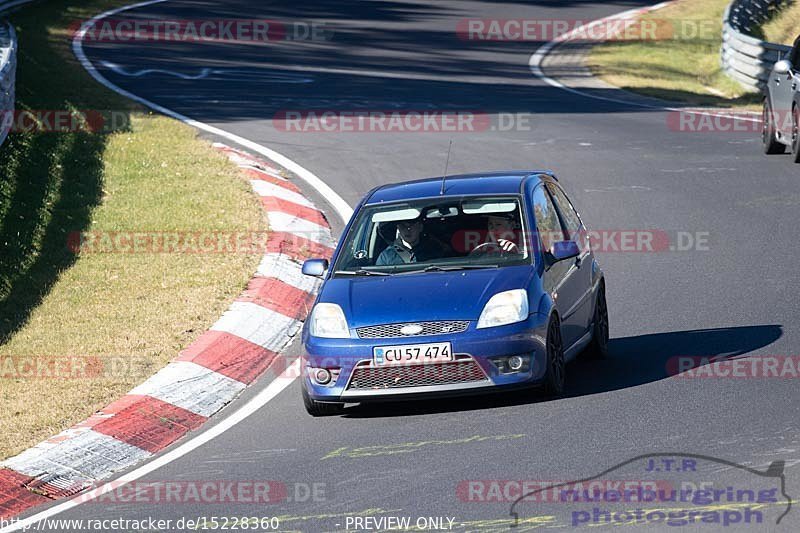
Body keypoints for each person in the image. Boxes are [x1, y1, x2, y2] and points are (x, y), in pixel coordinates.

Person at [376, 218, 444, 266]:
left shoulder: (434, 251)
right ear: (398, 228)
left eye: (411, 225)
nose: (407, 230)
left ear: (420, 227)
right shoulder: (387, 256)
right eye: (402, 226)